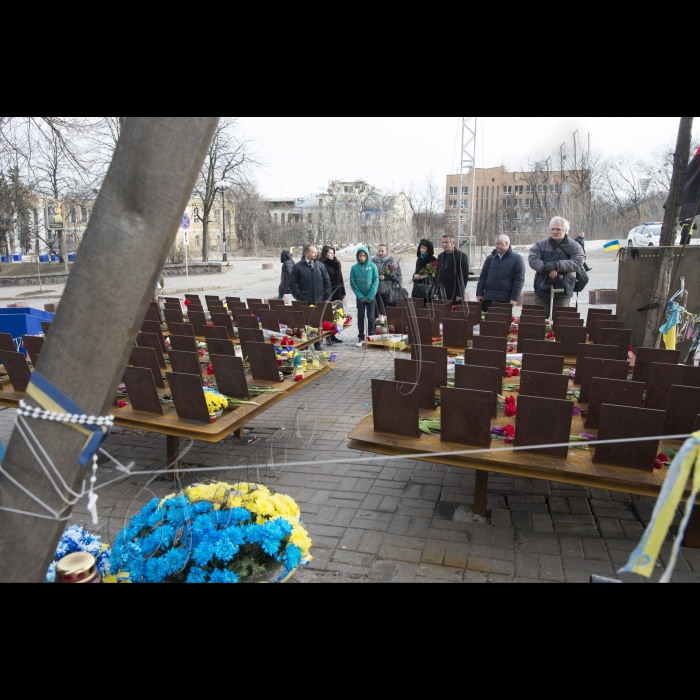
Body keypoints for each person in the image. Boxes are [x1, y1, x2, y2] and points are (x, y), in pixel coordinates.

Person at [529, 217, 586, 309]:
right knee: (539, 318)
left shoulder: (575, 246)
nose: (555, 231)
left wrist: (557, 265)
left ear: (566, 230)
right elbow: (533, 260)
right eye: (553, 229)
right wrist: (547, 268)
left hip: (564, 287)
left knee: (561, 319)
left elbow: (578, 262)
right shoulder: (540, 244)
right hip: (542, 286)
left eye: (558, 229)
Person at [289, 245, 332, 350]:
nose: (315, 254)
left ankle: (318, 343)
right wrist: (299, 296)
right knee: (306, 322)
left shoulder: (320, 266)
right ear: (306, 253)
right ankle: (306, 343)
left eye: (316, 252)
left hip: (319, 299)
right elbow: (292, 283)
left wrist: (327, 298)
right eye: (313, 252)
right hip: (305, 299)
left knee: (318, 322)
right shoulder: (298, 267)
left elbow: (327, 282)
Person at [476, 235, 525, 311]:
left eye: (499, 244)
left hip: (505, 300)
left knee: (502, 321)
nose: (496, 246)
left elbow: (519, 280)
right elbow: (483, 276)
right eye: (496, 243)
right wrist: (479, 293)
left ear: (506, 243)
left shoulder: (517, 259)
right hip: (489, 298)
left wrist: (514, 298)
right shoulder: (490, 258)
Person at [350, 246, 379, 347]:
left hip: (371, 297)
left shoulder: (372, 266)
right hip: (360, 298)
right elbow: (353, 283)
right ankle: (361, 337)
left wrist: (371, 295)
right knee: (361, 317)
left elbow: (376, 280)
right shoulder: (354, 268)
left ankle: (371, 336)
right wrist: (360, 296)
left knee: (371, 317)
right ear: (358, 256)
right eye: (360, 255)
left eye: (364, 255)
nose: (362, 257)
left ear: (367, 256)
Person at [320, 245, 346, 345]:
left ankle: (333, 335)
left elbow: (341, 279)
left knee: (336, 314)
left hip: (337, 292)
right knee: (328, 315)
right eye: (330, 253)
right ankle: (327, 336)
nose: (332, 255)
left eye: (333, 253)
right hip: (328, 293)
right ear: (325, 254)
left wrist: (343, 293)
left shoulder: (336, 263)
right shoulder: (322, 264)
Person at [435, 234, 470, 305]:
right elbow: (438, 274)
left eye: (446, 242)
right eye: (443, 242)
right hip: (442, 292)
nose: (444, 244)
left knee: (454, 314)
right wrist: (437, 291)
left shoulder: (461, 256)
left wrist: (460, 293)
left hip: (455, 293)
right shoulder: (440, 256)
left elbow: (464, 276)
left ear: (453, 243)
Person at [372, 244, 404, 311]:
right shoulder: (373, 261)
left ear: (387, 251)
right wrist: (377, 277)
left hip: (389, 291)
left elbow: (397, 276)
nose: (380, 253)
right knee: (377, 311)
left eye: (382, 251)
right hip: (375, 290)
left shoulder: (392, 260)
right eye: (379, 251)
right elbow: (369, 274)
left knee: (387, 311)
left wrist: (385, 277)